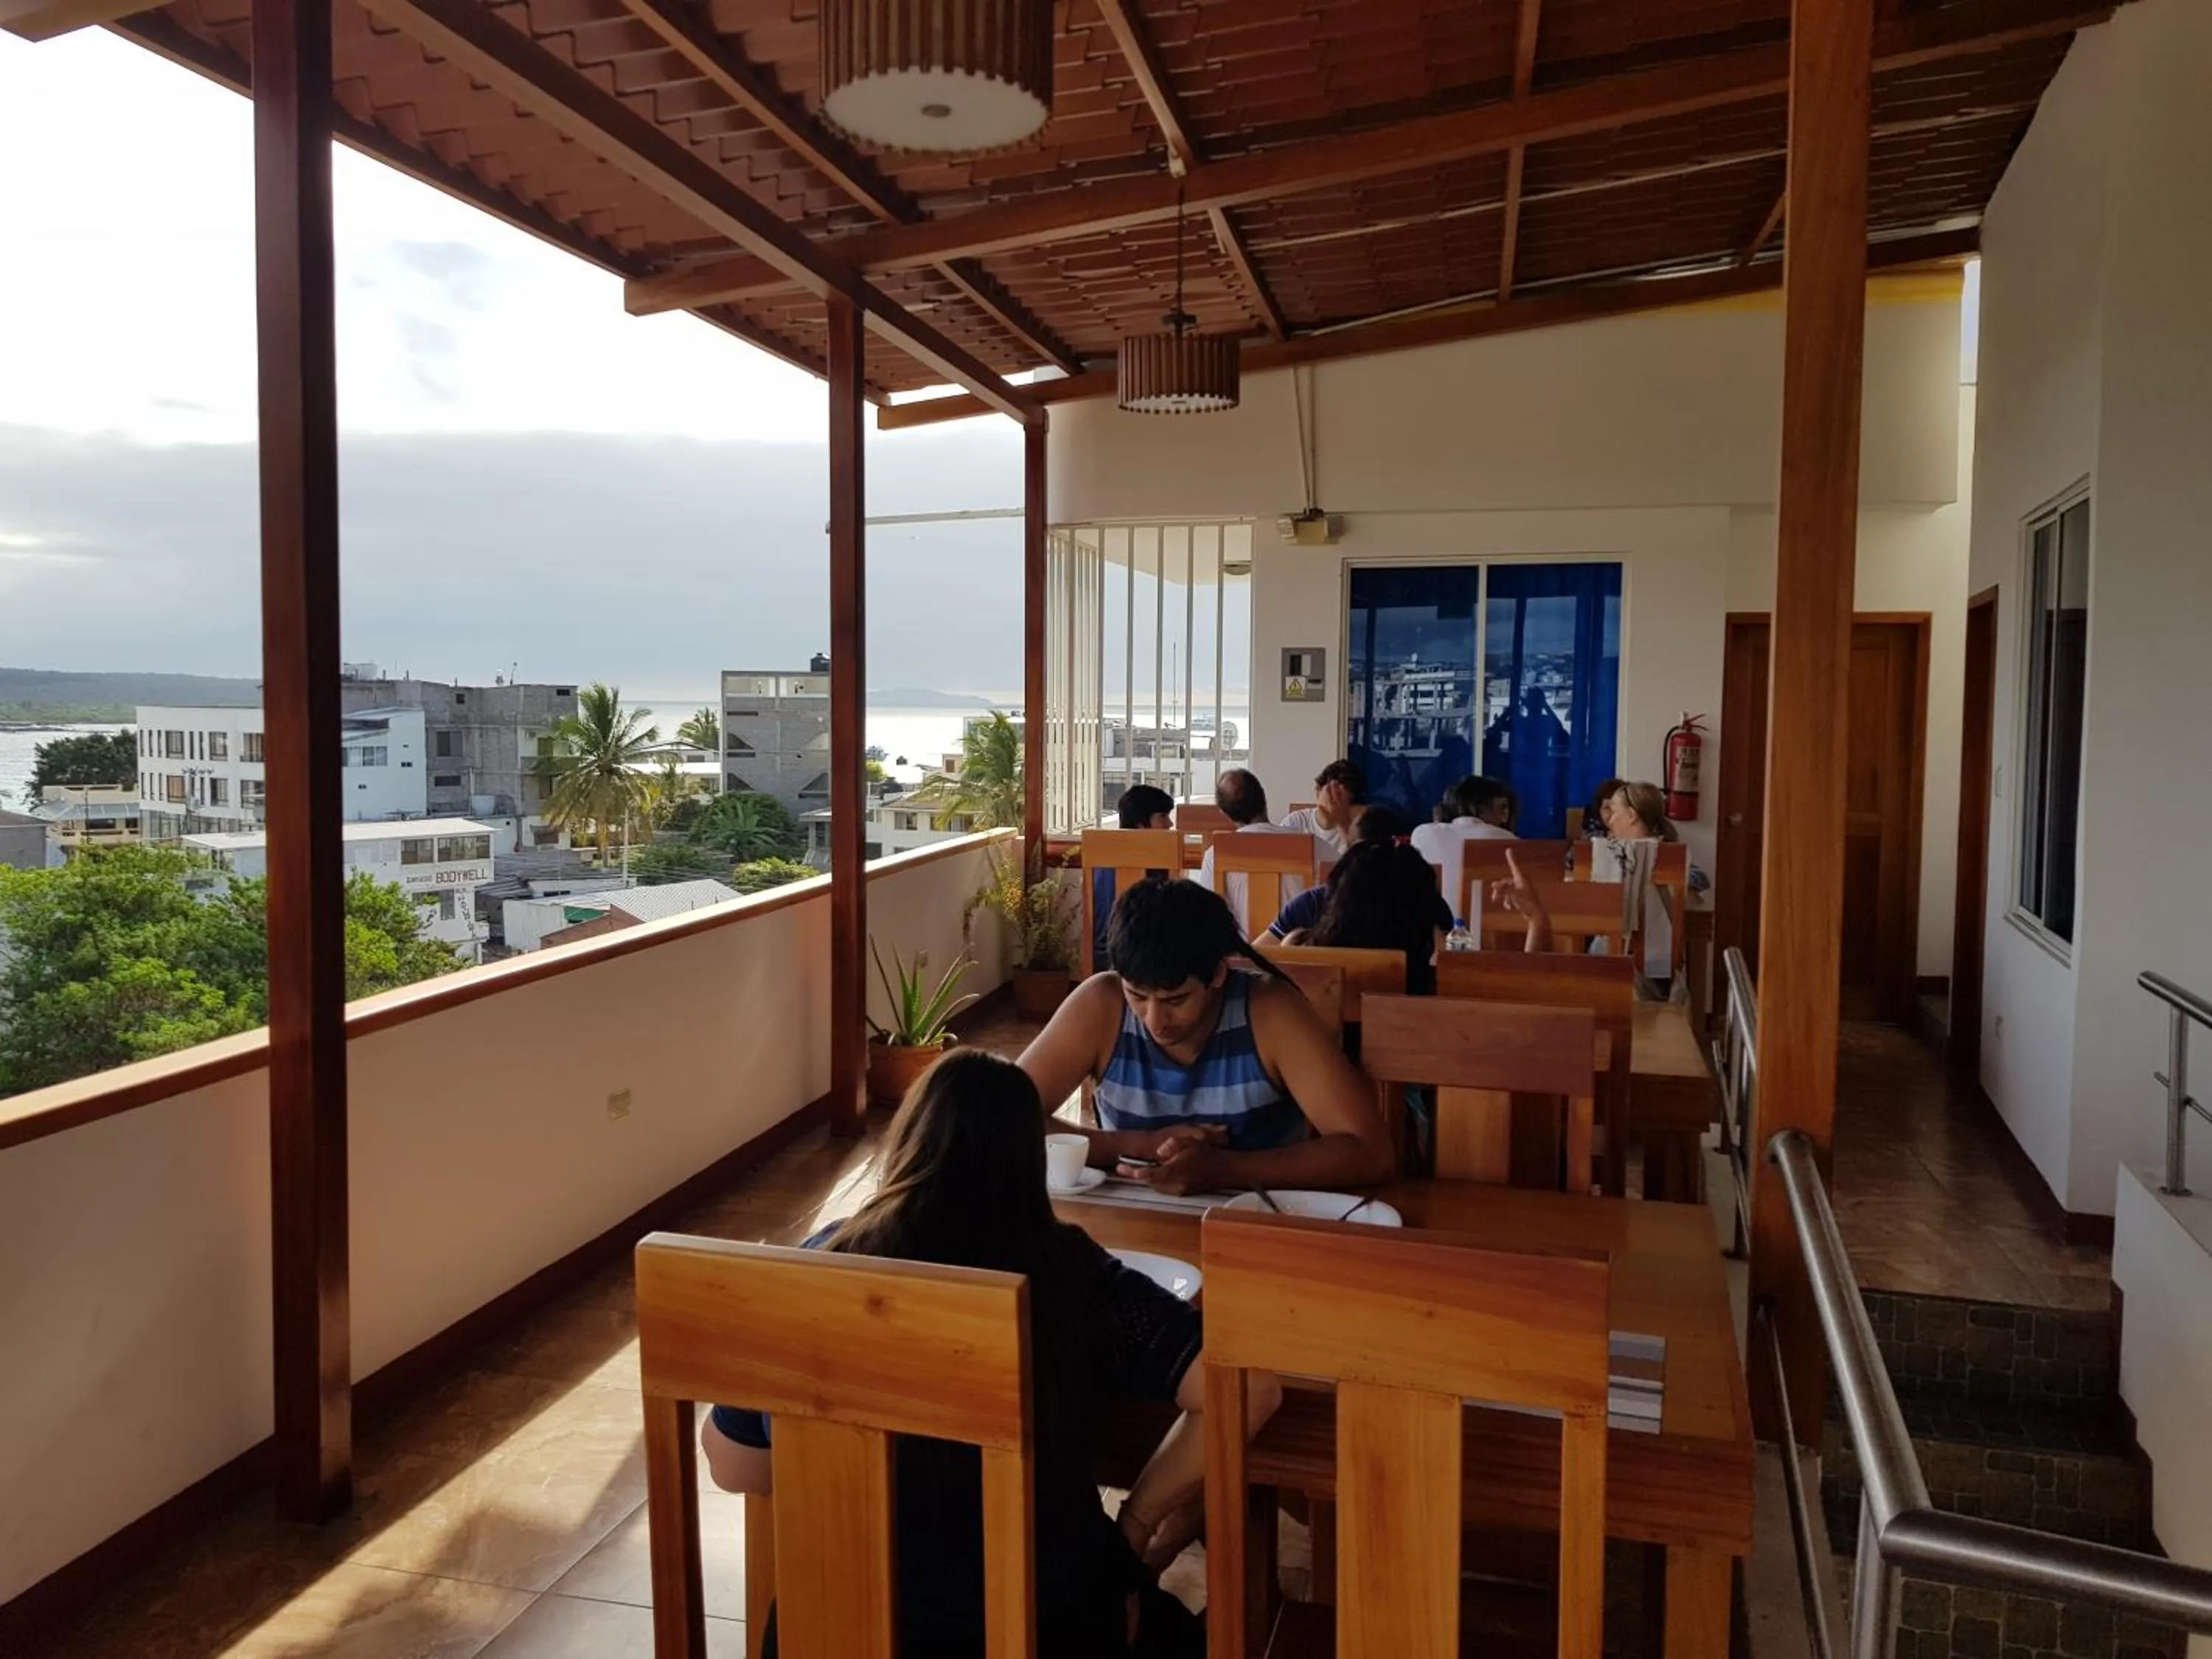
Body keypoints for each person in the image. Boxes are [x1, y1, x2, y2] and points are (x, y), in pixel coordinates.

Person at [701, 1051, 1267, 1658]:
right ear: (1029, 1160)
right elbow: (1249, 1389)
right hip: (1043, 1625)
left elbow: (735, 1469)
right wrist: (1136, 1522)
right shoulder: (1071, 1272)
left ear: (907, 1143)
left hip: (837, 1630)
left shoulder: (820, 1264)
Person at [1020, 877, 1396, 1197]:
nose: (1154, 1020)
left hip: (1255, 1220)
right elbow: (1001, 1118)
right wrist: (1144, 1144)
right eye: (1137, 995)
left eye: (1176, 1000)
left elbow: (1371, 1153)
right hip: (1130, 1220)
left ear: (1218, 974)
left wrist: (1223, 1169)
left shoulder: (1270, 1012)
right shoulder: (1101, 1004)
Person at [1590, 779, 1694, 986]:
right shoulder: (1675, 851)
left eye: (1615, 811)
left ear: (1631, 816)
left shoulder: (1609, 853)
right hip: (1664, 959)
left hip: (1614, 959)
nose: (1610, 820)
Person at [1196, 768, 1322, 928]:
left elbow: (1208, 917)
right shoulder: (1316, 846)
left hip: (1243, 944)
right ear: (1263, 797)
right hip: (1300, 943)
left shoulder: (1215, 855)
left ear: (1224, 813)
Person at [1409, 774, 1517, 925]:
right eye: (1502, 808)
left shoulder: (1422, 834)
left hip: (1429, 929)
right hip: (1488, 931)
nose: (1505, 817)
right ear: (1478, 807)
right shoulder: (1508, 840)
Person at [1093, 784, 1177, 971]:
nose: (1170, 824)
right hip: (1138, 959)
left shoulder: (1102, 857)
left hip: (1101, 957)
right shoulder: (1153, 863)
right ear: (1140, 824)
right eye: (1163, 817)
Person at [1278, 759, 1365, 855]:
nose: (1335, 803)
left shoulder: (1357, 830)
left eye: (1341, 800)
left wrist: (1341, 825)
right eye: (1332, 795)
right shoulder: (1296, 822)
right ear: (1318, 790)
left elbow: (1358, 862)